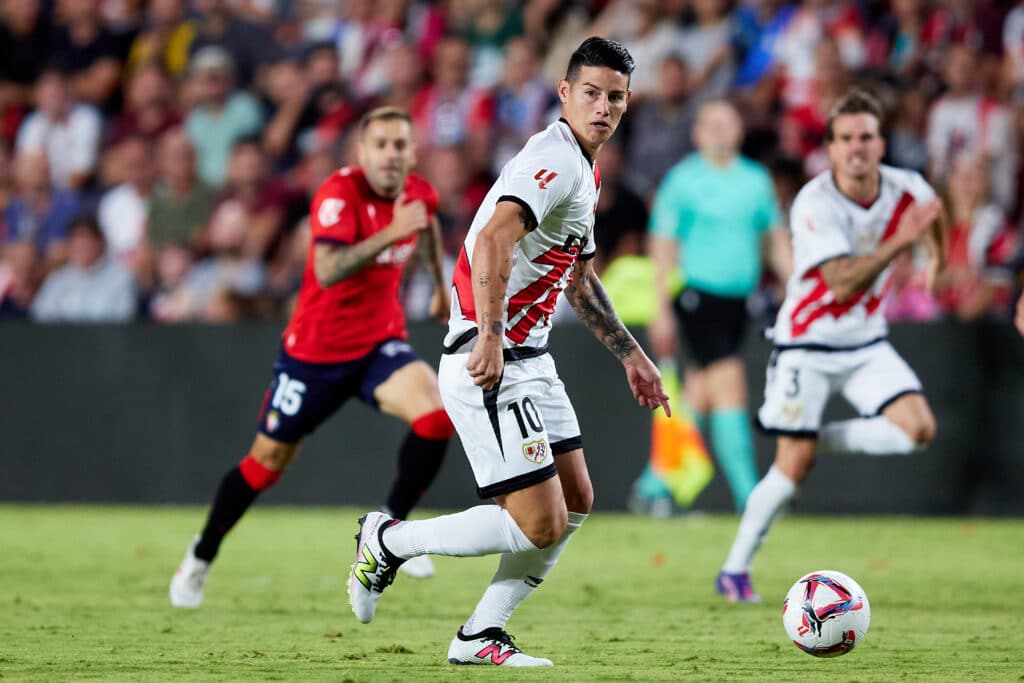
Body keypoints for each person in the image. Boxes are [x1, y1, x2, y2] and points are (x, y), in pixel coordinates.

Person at [347, 37, 670, 667]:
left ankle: (480, 635)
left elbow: (575, 275)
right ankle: (387, 541)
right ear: (564, 93)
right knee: (538, 521)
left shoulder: (583, 165)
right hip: (489, 356)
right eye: (591, 93)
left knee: (575, 501)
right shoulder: (552, 161)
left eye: (616, 97)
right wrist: (491, 334)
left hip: (531, 357)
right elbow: (493, 238)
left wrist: (631, 353)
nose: (603, 107)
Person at [169, 107, 455, 607]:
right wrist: (391, 232)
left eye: (400, 145)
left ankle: (388, 532)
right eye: (381, 145)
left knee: (435, 415)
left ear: (413, 153)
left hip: (378, 345)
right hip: (314, 356)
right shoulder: (339, 194)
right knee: (265, 464)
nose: (391, 154)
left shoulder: (420, 196)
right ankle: (202, 554)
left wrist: (437, 285)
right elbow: (326, 270)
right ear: (361, 153)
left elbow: (425, 228)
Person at [716, 89, 945, 603]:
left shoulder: (907, 187)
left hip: (865, 342)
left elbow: (935, 212)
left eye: (866, 136)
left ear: (881, 142)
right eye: (846, 139)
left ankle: (817, 438)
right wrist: (902, 241)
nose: (857, 148)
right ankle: (734, 568)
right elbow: (842, 283)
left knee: (919, 430)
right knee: (790, 469)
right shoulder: (814, 203)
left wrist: (936, 260)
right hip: (807, 344)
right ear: (831, 149)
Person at [644, 99, 789, 513]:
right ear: (698, 133)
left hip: (738, 302)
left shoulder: (756, 180)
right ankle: (751, 496)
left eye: (728, 122)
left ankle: (655, 484)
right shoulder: (683, 181)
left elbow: (774, 237)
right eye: (711, 123)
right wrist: (661, 307)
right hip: (696, 297)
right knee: (729, 384)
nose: (720, 130)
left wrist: (798, 285)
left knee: (700, 394)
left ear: (740, 130)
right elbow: (663, 245)